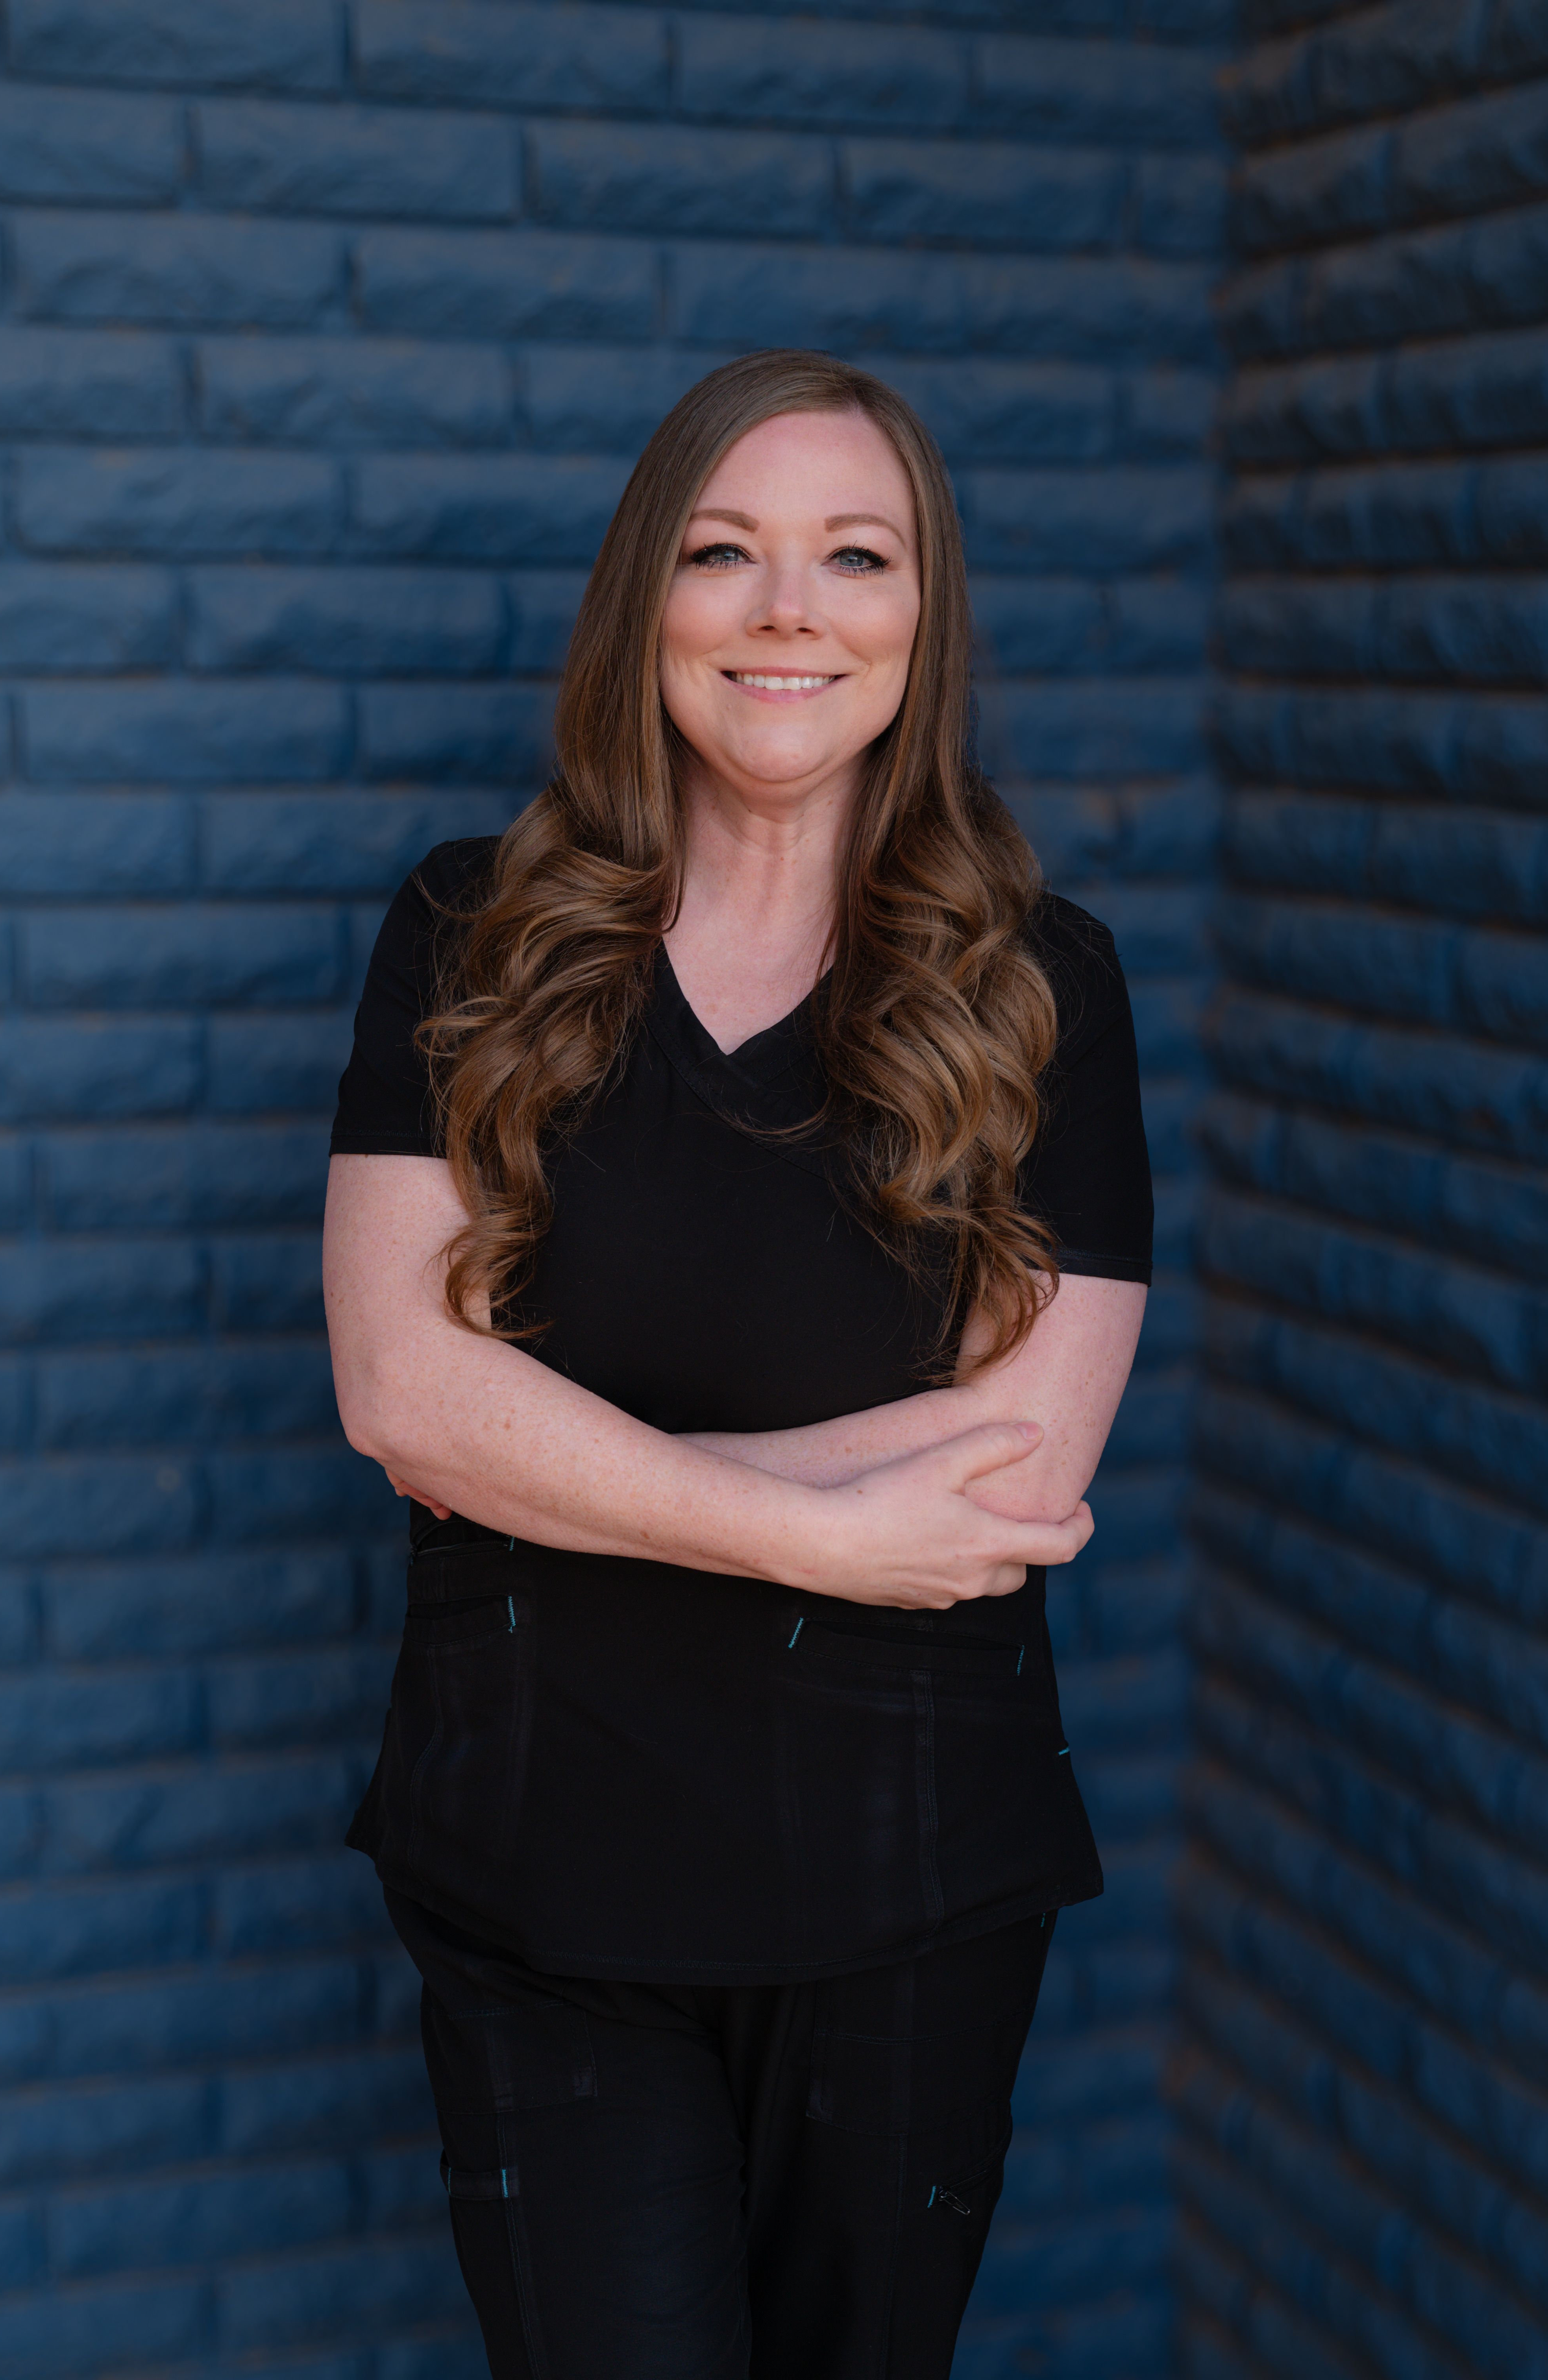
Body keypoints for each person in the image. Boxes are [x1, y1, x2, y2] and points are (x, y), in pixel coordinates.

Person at [324, 349, 1152, 2380]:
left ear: (915, 621)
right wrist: (803, 1522)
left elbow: (1011, 1469)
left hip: (908, 1883)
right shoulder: (472, 936)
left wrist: (553, 1467)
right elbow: (399, 1400)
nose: (789, 610)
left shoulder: (1041, 989)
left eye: (851, 556)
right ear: (647, 606)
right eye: (725, 553)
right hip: (547, 1883)